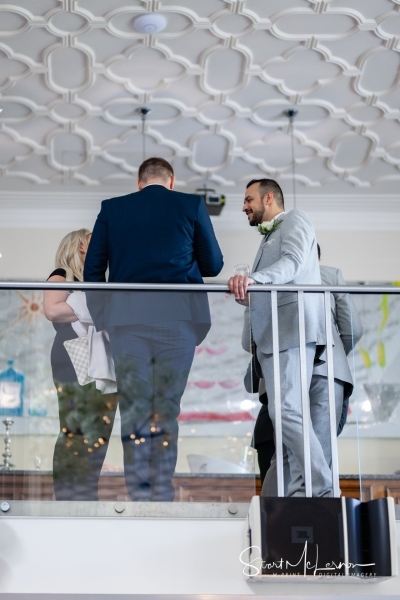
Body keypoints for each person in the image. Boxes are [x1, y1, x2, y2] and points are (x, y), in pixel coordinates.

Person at [84, 157, 223, 501]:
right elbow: (214, 265)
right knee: (166, 408)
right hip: (178, 321)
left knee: (134, 408)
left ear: (139, 182)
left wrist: (106, 320)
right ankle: (161, 493)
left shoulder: (112, 209)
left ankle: (138, 495)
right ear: (171, 181)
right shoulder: (190, 204)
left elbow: (93, 270)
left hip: (127, 322)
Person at [228, 178, 331, 497]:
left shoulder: (296, 219)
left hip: (291, 328)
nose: (244, 206)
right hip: (272, 336)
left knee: (286, 411)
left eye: (248, 199)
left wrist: (253, 278)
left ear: (268, 197)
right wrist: (250, 293)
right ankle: (286, 499)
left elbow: (295, 263)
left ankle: (323, 488)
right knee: (283, 416)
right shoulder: (267, 237)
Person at [252, 244, 364, 489]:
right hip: (326, 371)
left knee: (283, 457)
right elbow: (353, 330)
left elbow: (250, 338)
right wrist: (327, 355)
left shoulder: (264, 279)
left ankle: (269, 519)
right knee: (318, 452)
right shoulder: (329, 274)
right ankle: (317, 515)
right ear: (317, 258)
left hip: (280, 371)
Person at [43, 229, 117, 500]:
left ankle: (86, 491)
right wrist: (93, 307)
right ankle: (67, 495)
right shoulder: (62, 274)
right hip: (72, 359)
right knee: (75, 427)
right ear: (81, 247)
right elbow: (52, 309)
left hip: (99, 362)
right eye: (93, 242)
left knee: (99, 430)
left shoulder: (98, 281)